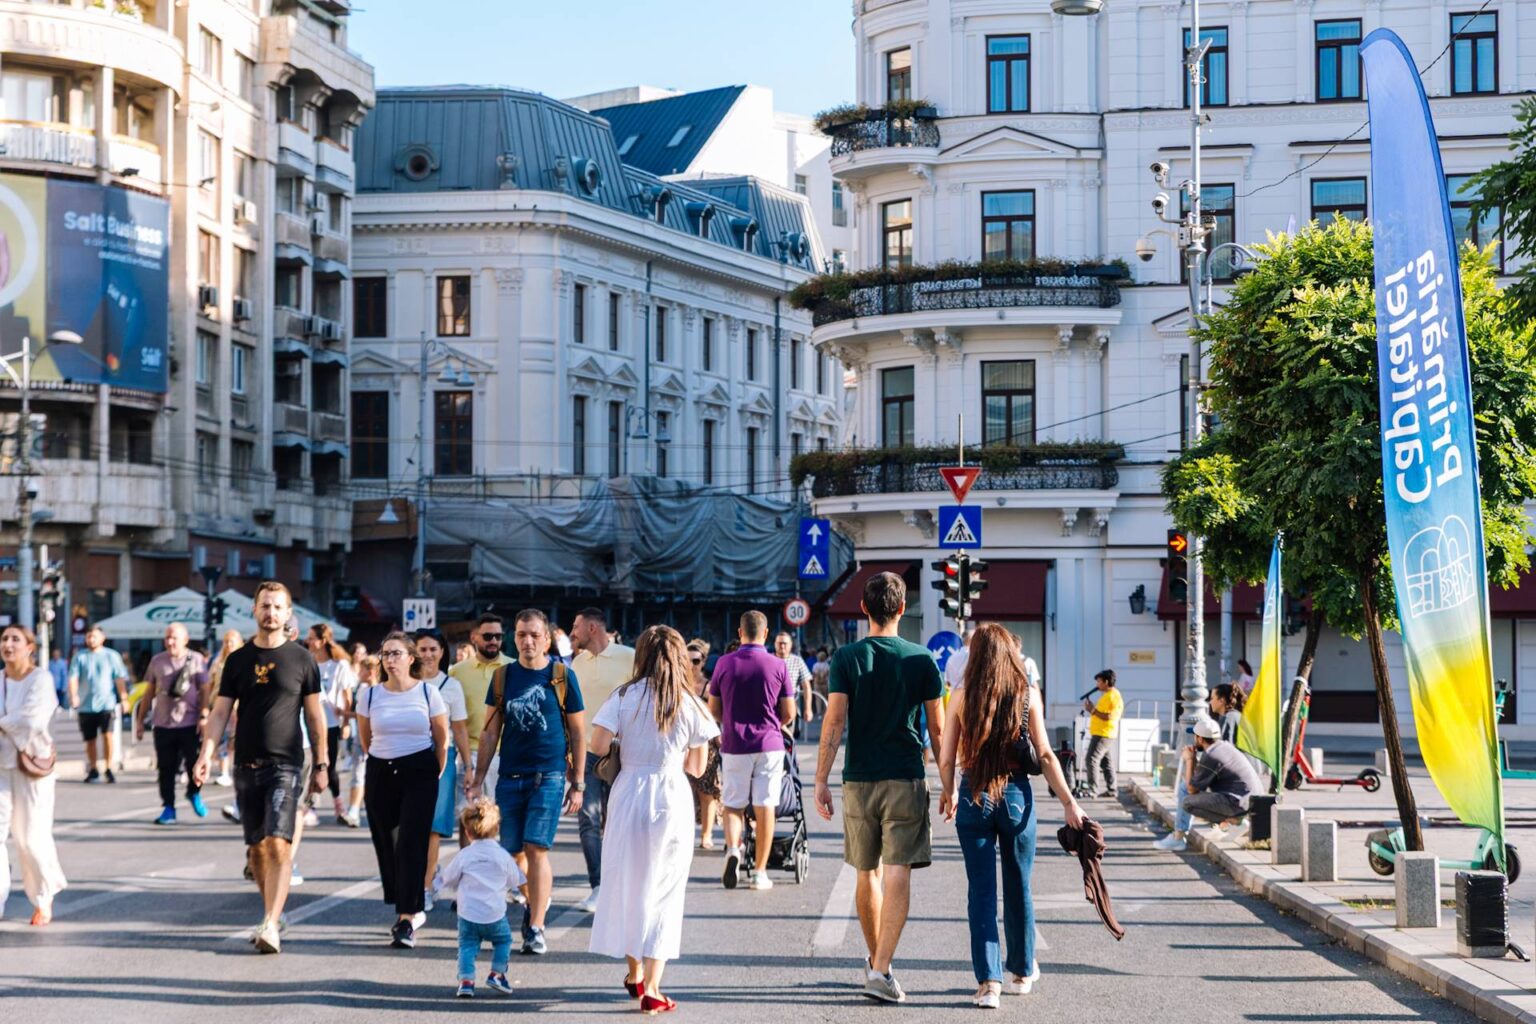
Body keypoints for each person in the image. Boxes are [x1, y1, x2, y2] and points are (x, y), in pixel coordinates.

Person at [939, 624, 1085, 1008]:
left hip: (973, 793)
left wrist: (949, 791)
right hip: (1017, 795)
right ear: (1009, 653)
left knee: (981, 891)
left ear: (975, 656)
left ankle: (989, 983)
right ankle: (1021, 972)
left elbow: (946, 757)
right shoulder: (1026, 695)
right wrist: (1069, 802)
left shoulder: (961, 695)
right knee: (1019, 885)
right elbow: (1046, 754)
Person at [814, 572, 943, 1004]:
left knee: (865, 872)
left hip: (859, 779)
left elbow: (834, 721)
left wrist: (821, 779)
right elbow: (938, 730)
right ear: (903, 608)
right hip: (906, 776)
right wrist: (950, 783)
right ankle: (881, 967)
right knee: (898, 871)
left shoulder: (847, 658)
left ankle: (877, 964)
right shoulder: (922, 659)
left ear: (864, 609)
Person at [589, 625, 719, 1015]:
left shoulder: (624, 695)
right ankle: (654, 987)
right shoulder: (690, 702)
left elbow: (597, 744)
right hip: (671, 795)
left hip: (628, 791)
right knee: (665, 891)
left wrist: (627, 743)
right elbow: (697, 768)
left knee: (629, 882)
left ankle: (635, 974)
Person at [194, 582, 326, 954]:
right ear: (254, 610)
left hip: (285, 764)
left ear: (288, 614)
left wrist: (322, 763)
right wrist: (205, 755)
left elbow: (315, 717)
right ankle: (272, 912)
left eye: (278, 607)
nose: (271, 612)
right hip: (245, 765)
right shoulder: (238, 660)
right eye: (265, 606)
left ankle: (270, 922)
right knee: (256, 851)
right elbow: (220, 712)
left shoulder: (302, 659)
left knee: (278, 843)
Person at [467, 609, 586, 956]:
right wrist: (477, 779)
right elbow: (490, 732)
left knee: (536, 848)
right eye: (521, 634)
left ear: (547, 639)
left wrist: (578, 782)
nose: (528, 641)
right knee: (513, 852)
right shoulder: (503, 677)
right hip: (510, 777)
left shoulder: (562, 676)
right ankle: (533, 900)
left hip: (548, 777)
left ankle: (536, 927)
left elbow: (578, 731)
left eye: (535, 635)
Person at [357, 631, 450, 949]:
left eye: (396, 653)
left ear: (411, 658)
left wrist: (434, 771)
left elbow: (441, 738)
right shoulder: (370, 695)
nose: (390, 659)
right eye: (385, 654)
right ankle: (406, 901)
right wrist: (383, 760)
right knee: (389, 842)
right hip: (381, 770)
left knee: (411, 841)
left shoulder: (427, 692)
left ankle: (407, 917)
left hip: (419, 770)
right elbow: (365, 738)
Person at [708, 611, 792, 891]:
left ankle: (734, 849)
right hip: (769, 744)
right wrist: (773, 723)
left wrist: (730, 720)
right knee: (765, 806)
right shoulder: (778, 665)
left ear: (740, 632)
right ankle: (759, 873)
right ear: (765, 634)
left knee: (733, 804)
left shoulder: (724, 663)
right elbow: (789, 712)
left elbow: (713, 709)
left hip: (735, 745)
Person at [568, 606, 635, 914]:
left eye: (576, 627)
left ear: (592, 628)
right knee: (588, 820)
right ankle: (599, 886)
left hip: (623, 753)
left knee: (620, 822)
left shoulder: (629, 657)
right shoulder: (576, 663)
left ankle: (621, 884)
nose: (573, 632)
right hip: (587, 753)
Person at [0, 624, 67, 925]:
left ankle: (43, 896)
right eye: (4, 639)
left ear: (29, 647)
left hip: (32, 767)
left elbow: (32, 721)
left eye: (15, 639)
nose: (8, 644)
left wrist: (3, 722)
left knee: (30, 838)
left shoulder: (41, 679)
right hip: (0, 765)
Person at [434, 799, 524, 998]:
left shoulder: (465, 855)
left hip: (468, 913)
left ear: (467, 832)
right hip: (494, 914)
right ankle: (497, 974)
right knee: (503, 941)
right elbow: (516, 879)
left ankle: (466, 982)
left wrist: (436, 883)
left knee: (467, 946)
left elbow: (449, 878)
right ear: (497, 828)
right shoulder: (502, 856)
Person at [417, 628, 471, 913]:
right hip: (406, 754)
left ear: (442, 652)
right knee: (409, 825)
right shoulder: (405, 682)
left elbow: (459, 729)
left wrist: (468, 766)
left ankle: (426, 887)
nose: (427, 655)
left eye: (432, 649)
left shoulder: (451, 686)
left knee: (432, 828)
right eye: (422, 649)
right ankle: (427, 873)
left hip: (442, 756)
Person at [136, 623, 210, 824]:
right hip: (163, 723)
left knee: (194, 763)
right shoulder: (157, 661)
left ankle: (194, 792)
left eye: (174, 638)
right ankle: (168, 807)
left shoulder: (196, 659)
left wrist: (204, 715)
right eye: (167, 638)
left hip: (190, 722)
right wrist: (140, 720)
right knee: (166, 768)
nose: (170, 642)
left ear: (185, 640)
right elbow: (149, 692)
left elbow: (205, 689)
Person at [1154, 718, 1263, 852]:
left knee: (1188, 802)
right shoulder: (1223, 746)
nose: (1194, 739)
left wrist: (1189, 760)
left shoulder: (1211, 755)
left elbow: (1191, 789)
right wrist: (1194, 759)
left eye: (1195, 736)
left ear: (1200, 739)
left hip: (1238, 802)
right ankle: (1235, 822)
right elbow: (1196, 781)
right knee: (1184, 788)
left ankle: (1179, 837)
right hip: (1250, 799)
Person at [450, 613, 512, 834]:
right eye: (487, 636)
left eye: (498, 636)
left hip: (505, 754)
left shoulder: (513, 668)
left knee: (501, 820)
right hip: (469, 754)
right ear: (474, 637)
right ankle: (468, 857)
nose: (493, 641)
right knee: (469, 818)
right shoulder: (457, 672)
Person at [67, 626, 129, 783]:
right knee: (90, 739)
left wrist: (124, 698)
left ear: (102, 638)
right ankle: (93, 768)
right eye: (89, 636)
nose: (91, 639)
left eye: (94, 636)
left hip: (107, 704)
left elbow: (119, 678)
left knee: (108, 735)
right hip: (86, 705)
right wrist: (74, 695)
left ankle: (108, 767)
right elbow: (73, 677)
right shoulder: (80, 656)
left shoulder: (111, 655)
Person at [308, 624, 356, 824]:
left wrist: (346, 722)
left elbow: (347, 695)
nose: (308, 641)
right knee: (311, 765)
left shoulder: (339, 665)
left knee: (328, 766)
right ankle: (310, 807)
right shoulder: (308, 662)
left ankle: (339, 806)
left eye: (312, 638)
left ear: (322, 641)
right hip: (310, 722)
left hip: (331, 723)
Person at [684, 639, 722, 849]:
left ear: (703, 662)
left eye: (696, 661)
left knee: (706, 790)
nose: (691, 665)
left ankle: (706, 835)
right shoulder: (677, 684)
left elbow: (717, 714)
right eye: (687, 660)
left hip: (706, 744)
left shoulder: (709, 686)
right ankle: (685, 832)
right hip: (682, 743)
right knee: (684, 790)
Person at [342, 654, 381, 828]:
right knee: (358, 774)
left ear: (371, 672)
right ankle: (354, 810)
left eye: (362, 670)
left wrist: (344, 714)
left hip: (379, 739)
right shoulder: (362, 689)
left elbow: (365, 715)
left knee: (375, 777)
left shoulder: (381, 691)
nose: (359, 674)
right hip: (361, 737)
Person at [209, 629, 244, 788]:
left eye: (232, 642)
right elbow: (210, 682)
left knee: (235, 741)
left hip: (238, 708)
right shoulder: (218, 662)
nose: (229, 645)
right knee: (222, 740)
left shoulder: (243, 661)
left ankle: (236, 770)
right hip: (219, 706)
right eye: (226, 641)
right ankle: (224, 772)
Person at [1081, 669, 1123, 798]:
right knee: (1106, 762)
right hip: (1101, 733)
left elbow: (1110, 716)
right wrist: (1092, 710)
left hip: (1104, 734)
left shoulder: (1114, 696)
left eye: (1099, 681)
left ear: (1106, 682)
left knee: (1091, 759)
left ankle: (1093, 789)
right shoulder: (1106, 695)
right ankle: (1112, 789)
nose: (1097, 684)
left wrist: (1093, 710)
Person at [774, 632, 812, 732]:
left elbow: (806, 686)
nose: (782, 646)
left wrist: (808, 708)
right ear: (775, 644)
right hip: (771, 707)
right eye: (779, 643)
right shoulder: (768, 659)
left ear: (790, 645)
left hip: (790, 706)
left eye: (785, 643)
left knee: (789, 737)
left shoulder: (797, 661)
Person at [47, 649, 68, 716]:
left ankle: (59, 707)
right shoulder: (50, 663)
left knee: (60, 698)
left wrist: (64, 686)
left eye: (57, 654)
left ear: (59, 655)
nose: (55, 656)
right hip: (52, 685)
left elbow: (64, 675)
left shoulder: (62, 663)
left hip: (60, 685)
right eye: (54, 654)